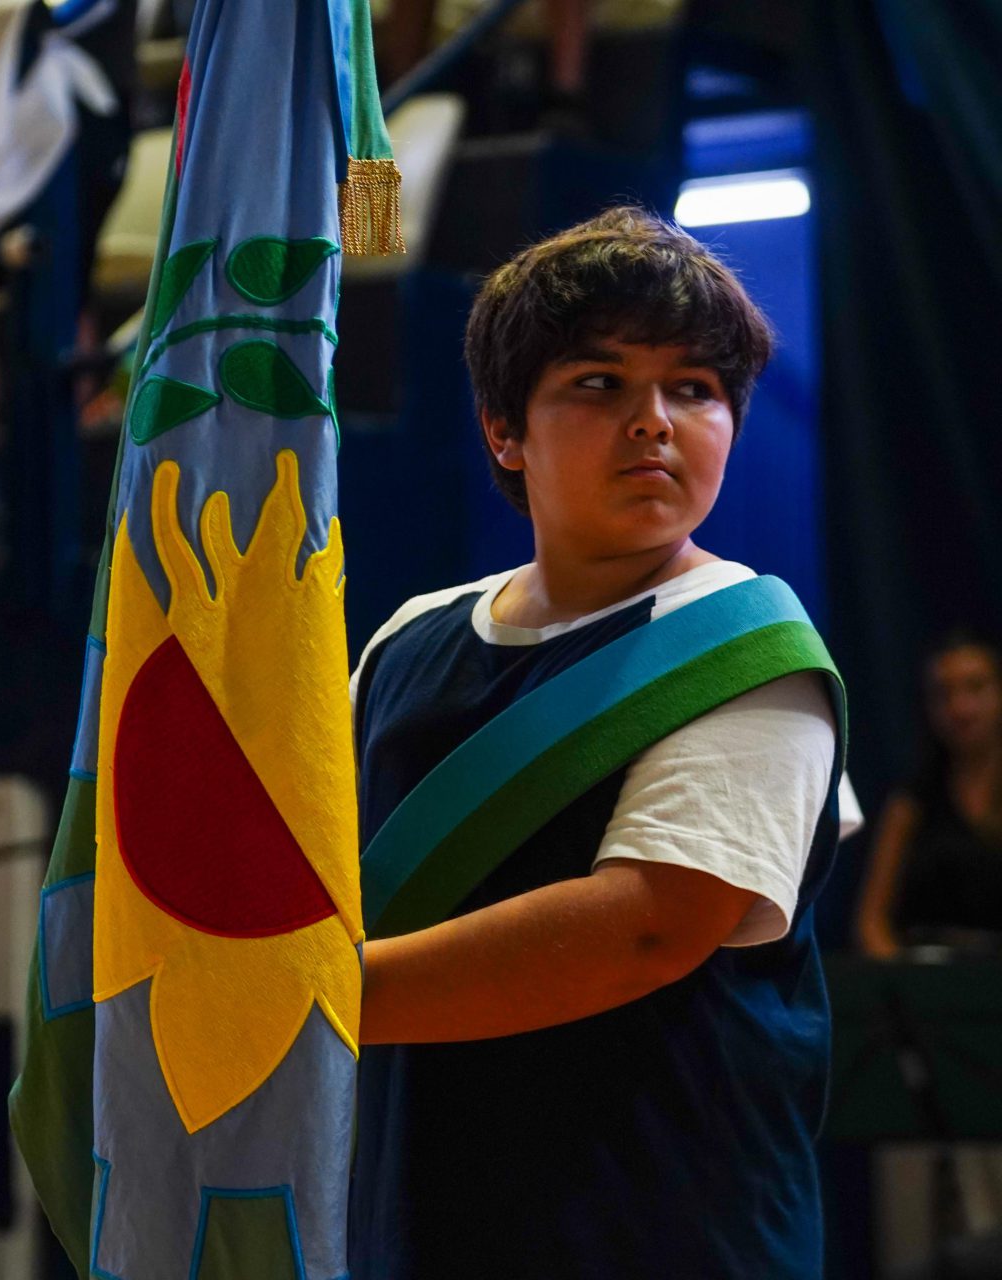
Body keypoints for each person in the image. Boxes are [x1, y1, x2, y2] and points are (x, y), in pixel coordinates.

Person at [348, 206, 846, 1278]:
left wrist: (289, 1001)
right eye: (599, 382)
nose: (653, 421)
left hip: (666, 1238)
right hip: (415, 1229)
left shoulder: (755, 652)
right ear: (503, 429)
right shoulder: (408, 639)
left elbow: (647, 927)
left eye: (694, 388)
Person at [857, 634, 1002, 958]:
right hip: (925, 972)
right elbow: (871, 921)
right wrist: (903, 978)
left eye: (975, 687)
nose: (960, 708)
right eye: (944, 693)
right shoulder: (910, 802)